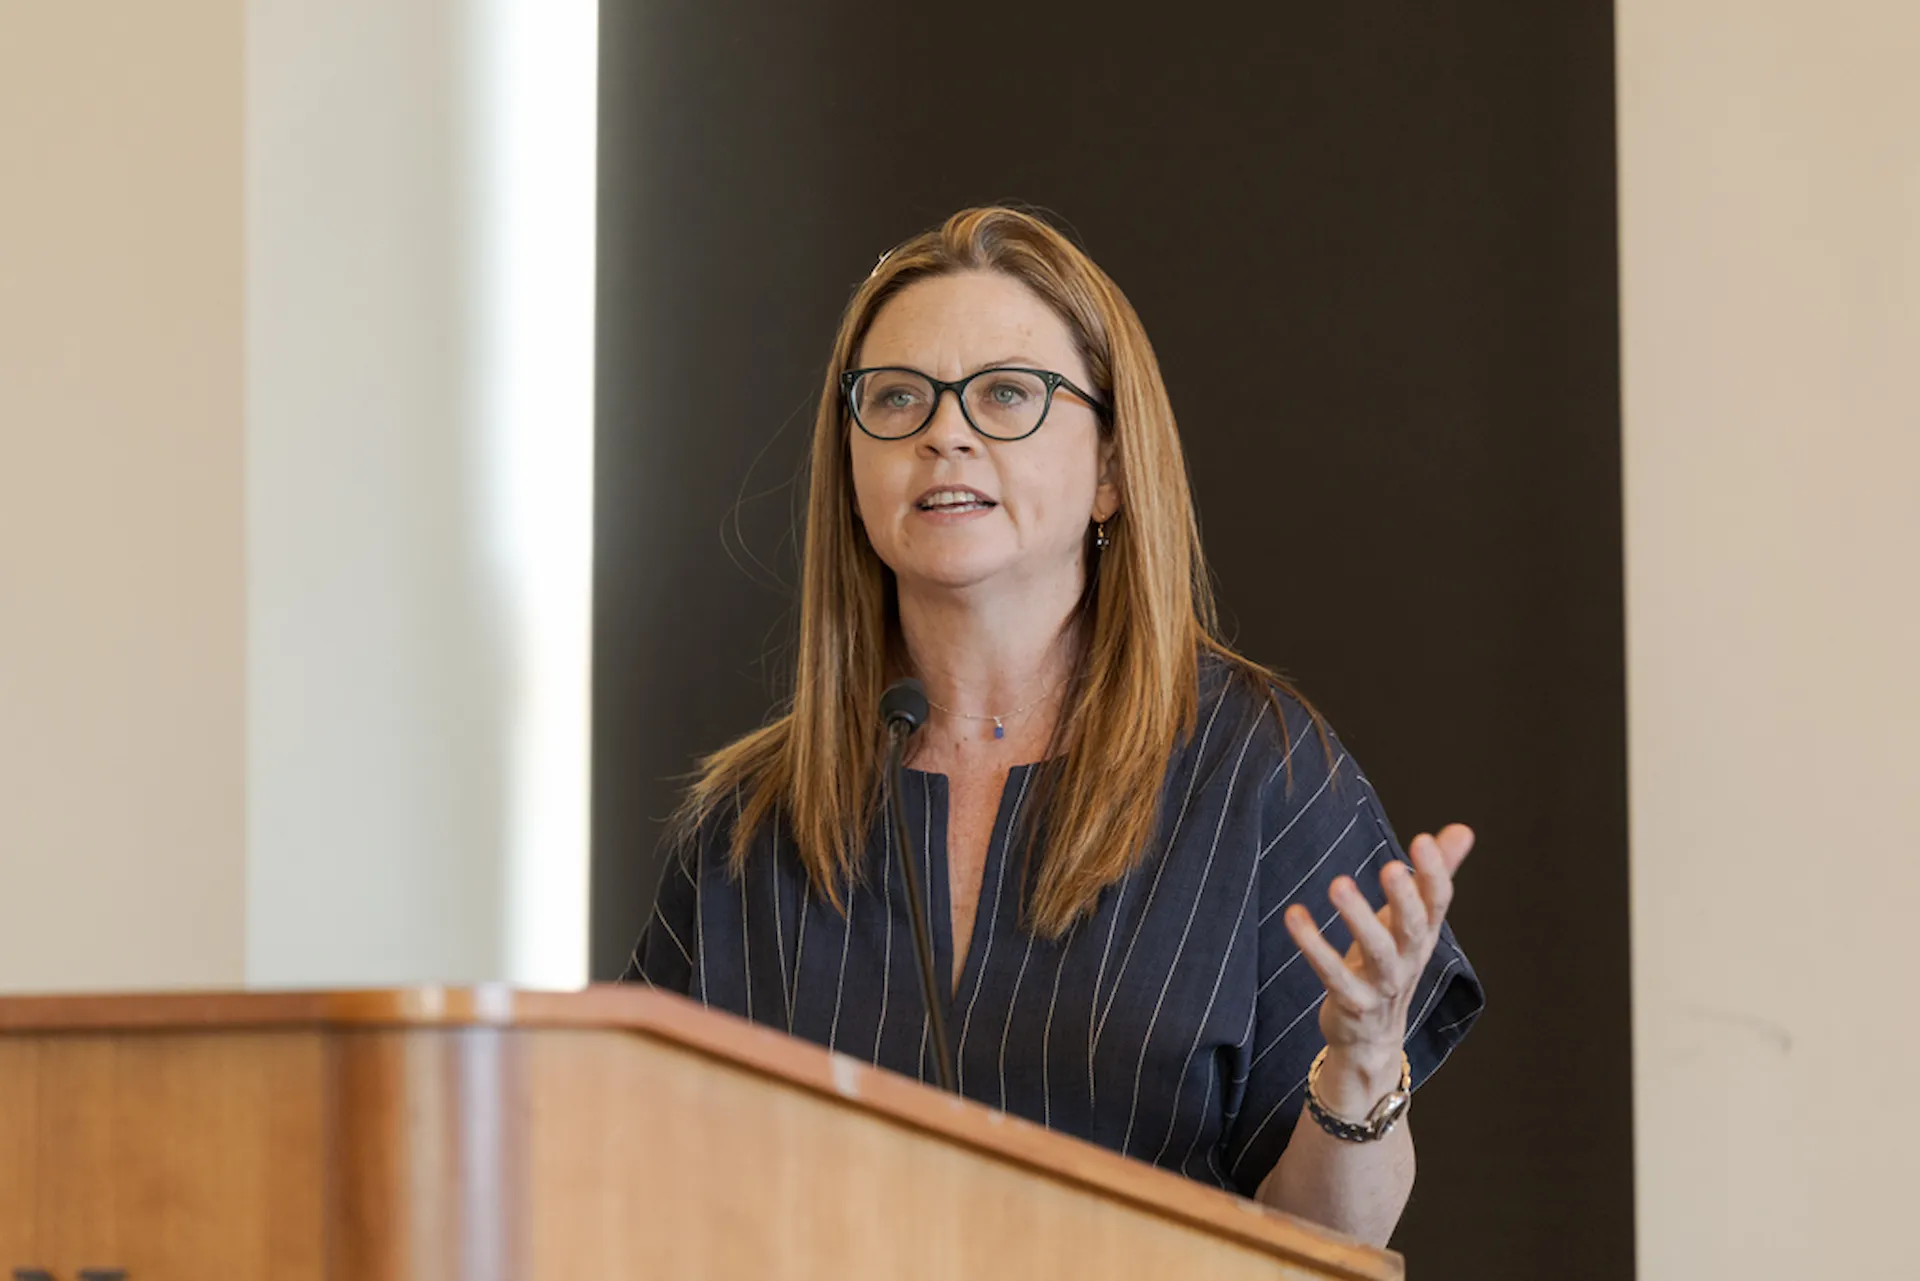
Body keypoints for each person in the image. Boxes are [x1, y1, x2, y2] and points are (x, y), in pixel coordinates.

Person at [625, 206, 1483, 1245]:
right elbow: (631, 1184)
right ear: (851, 473)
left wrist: (1359, 1068)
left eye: (1006, 395)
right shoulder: (747, 825)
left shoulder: (1256, 772)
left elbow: (1332, 1243)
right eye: (897, 397)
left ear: (1114, 472)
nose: (946, 431)